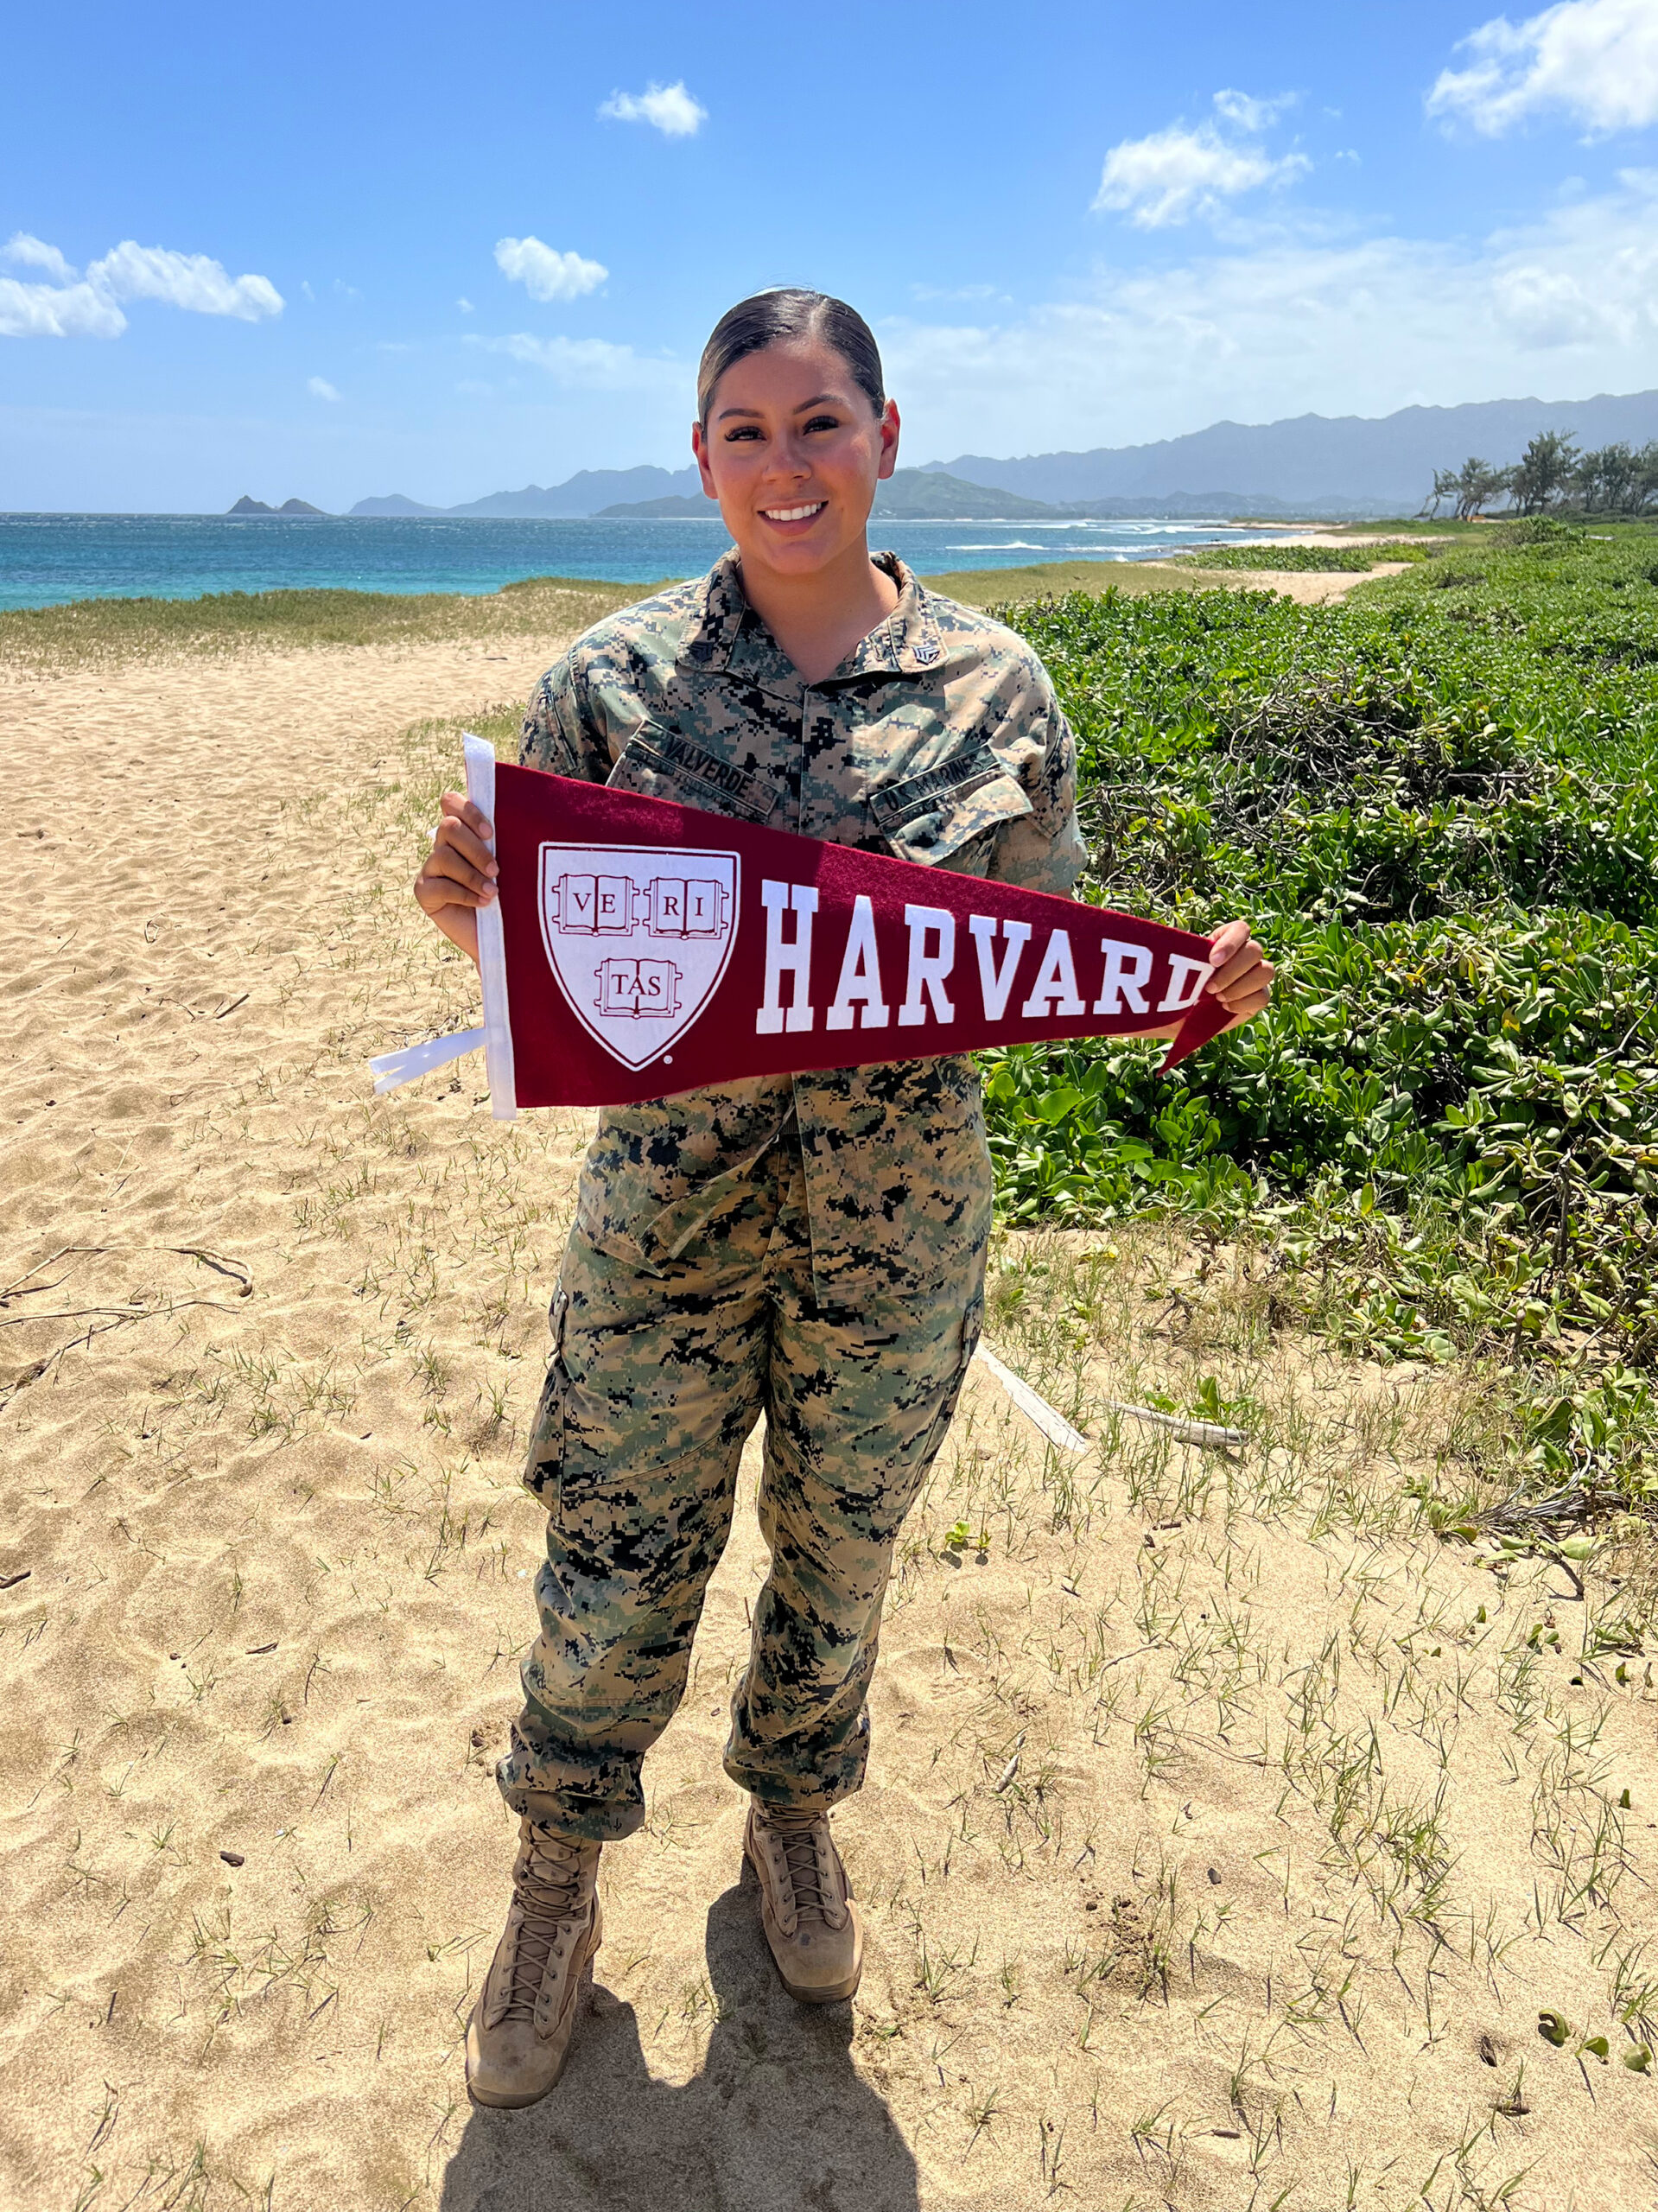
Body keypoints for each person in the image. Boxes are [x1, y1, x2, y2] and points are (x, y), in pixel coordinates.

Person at [413, 289, 1274, 2109]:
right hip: (664, 1212)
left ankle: (792, 1814)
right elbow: (535, 951)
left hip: (899, 1216)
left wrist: (1181, 982)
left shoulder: (997, 688)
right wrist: (463, 911)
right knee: (610, 1560)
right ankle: (554, 1874)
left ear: (884, 436)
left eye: (818, 423)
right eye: (745, 429)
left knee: (843, 1546)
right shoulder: (607, 682)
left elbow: (1027, 952)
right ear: (700, 458)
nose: (784, 464)